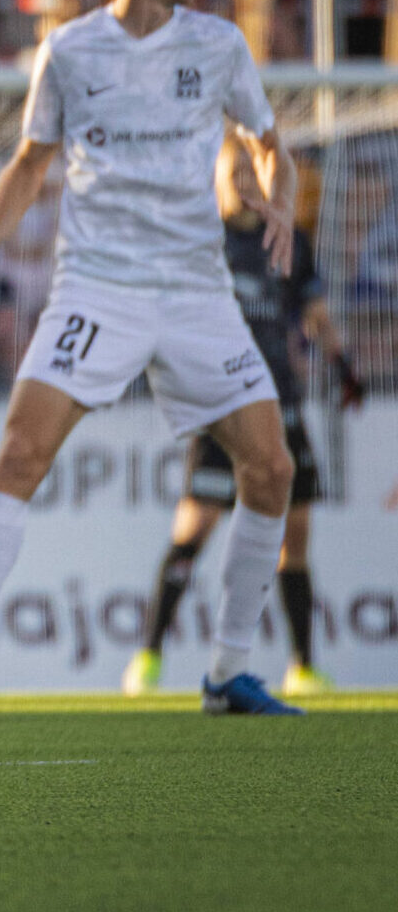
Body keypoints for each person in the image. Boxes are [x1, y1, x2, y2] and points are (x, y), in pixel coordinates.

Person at [0, 0, 304, 717]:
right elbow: (29, 160)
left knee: (270, 469)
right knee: (21, 450)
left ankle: (227, 670)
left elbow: (268, 146)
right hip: (98, 285)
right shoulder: (69, 50)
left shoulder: (220, 44)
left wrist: (278, 200)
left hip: (195, 289)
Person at [125, 140, 364, 699]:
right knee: (194, 528)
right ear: (214, 181)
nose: (244, 185)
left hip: (283, 404)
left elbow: (313, 312)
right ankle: (148, 659)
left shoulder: (287, 239)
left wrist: (343, 366)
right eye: (233, 174)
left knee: (294, 537)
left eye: (251, 174)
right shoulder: (199, 245)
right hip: (223, 409)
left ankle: (303, 666)